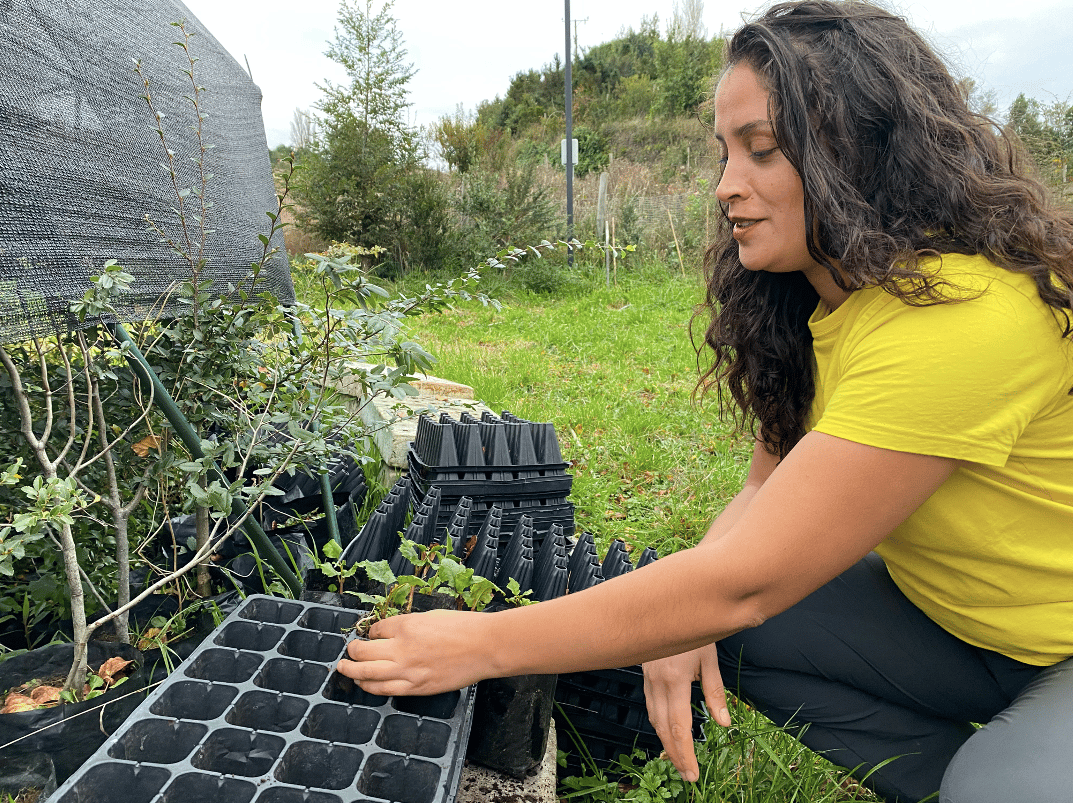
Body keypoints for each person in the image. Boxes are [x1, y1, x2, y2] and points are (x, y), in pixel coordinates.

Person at [337, 2, 1073, 801]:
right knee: (729, 632)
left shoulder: (960, 316)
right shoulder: (814, 301)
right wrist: (691, 618)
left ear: (861, 150)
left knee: (989, 782)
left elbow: (745, 581)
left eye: (760, 151)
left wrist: (483, 643)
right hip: (959, 626)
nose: (726, 186)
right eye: (724, 153)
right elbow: (761, 490)